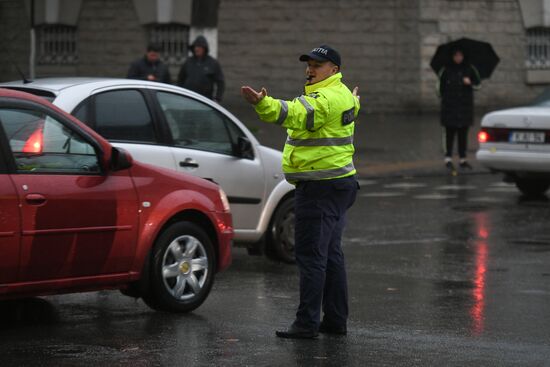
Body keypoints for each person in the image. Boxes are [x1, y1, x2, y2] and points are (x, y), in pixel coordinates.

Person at [241, 45, 360, 339]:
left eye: (317, 65)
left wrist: (262, 103)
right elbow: (352, 107)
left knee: (310, 256)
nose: (310, 69)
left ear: (333, 69)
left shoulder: (322, 100)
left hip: (319, 188)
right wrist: (356, 102)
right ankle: (335, 320)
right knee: (331, 254)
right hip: (340, 184)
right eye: (308, 64)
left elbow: (295, 113)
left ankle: (306, 323)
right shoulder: (345, 95)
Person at [437, 48, 481, 171]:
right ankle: (448, 158)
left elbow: (478, 85)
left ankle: (463, 159)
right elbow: (438, 88)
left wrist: (470, 83)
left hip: (464, 108)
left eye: (460, 55)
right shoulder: (445, 70)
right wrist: (446, 97)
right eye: (456, 55)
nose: (458, 58)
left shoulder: (470, 69)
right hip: (449, 108)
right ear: (452, 56)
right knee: (449, 134)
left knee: (463, 134)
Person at [177, 35, 225, 102]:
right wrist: (179, 95)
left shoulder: (212, 63)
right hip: (187, 99)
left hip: (204, 101)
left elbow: (220, 82)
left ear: (204, 48)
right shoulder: (188, 62)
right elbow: (180, 79)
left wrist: (217, 98)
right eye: (195, 47)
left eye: (199, 47)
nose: (196, 49)